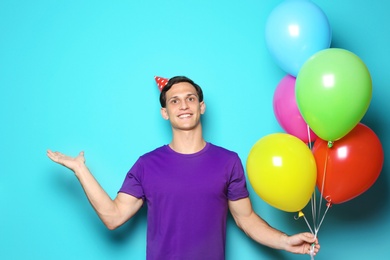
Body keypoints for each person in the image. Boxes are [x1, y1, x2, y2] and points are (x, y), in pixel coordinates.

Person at [47, 76, 320, 260]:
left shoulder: (228, 161)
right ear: (165, 112)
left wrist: (285, 241)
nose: (183, 105)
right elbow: (113, 217)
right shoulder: (147, 165)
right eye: (174, 101)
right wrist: (80, 170)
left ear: (201, 107)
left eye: (190, 98)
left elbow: (246, 219)